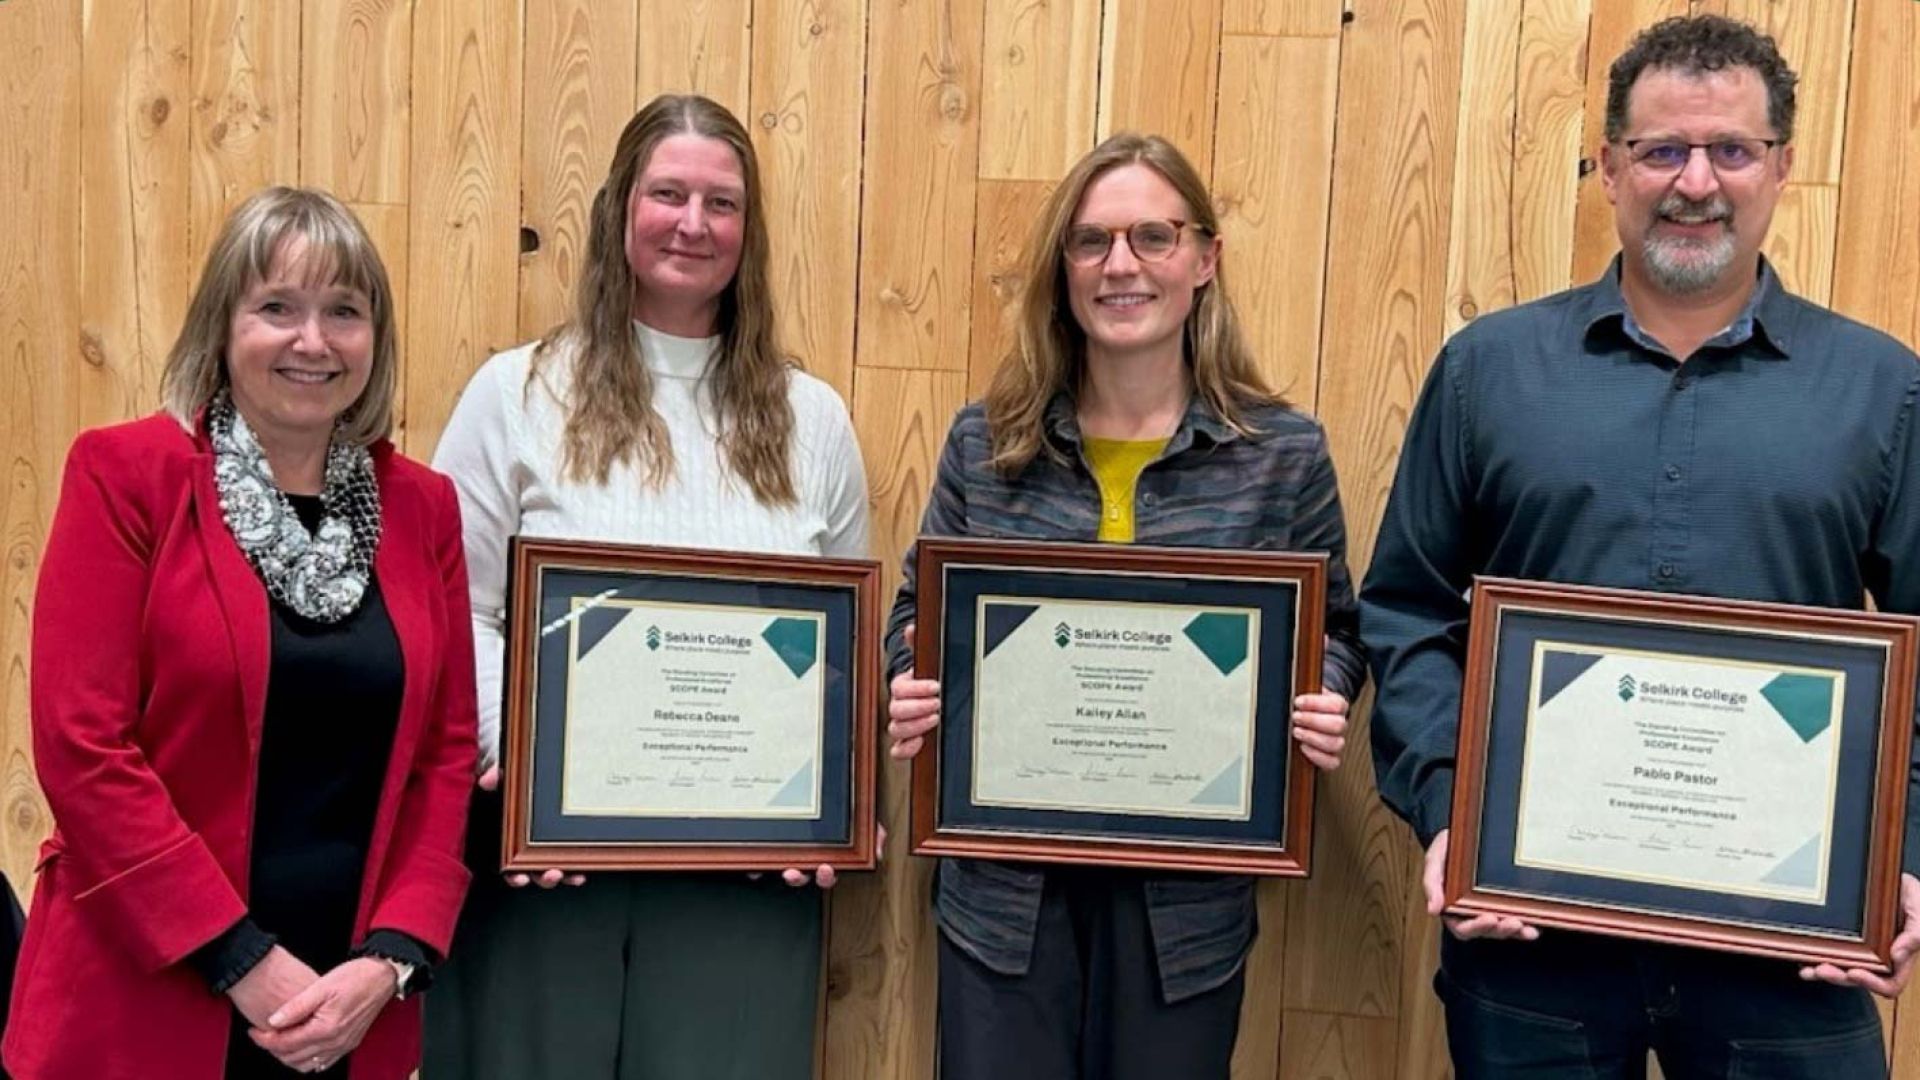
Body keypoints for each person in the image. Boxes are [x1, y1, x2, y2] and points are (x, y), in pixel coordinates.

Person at [1361, 14, 1920, 1078]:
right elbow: (1408, 611)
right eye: (1662, 150)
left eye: (1732, 151)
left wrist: (1905, 853)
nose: (1695, 181)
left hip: (1793, 948)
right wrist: (1449, 812)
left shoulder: (1885, 392)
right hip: (1533, 943)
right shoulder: (1489, 370)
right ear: (1610, 166)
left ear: (1782, 167)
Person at [882, 132, 1365, 1080]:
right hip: (1003, 901)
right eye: (1092, 241)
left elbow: (1333, 628)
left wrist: (1326, 694)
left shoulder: (1280, 454)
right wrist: (909, 678)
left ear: (1204, 259)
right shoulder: (988, 443)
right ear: (1063, 267)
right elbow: (918, 611)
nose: (1121, 266)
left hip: (1184, 908)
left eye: (1152, 235)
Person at [424, 94, 870, 1079]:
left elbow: (844, 647)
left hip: (743, 881)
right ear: (621, 208)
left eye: (722, 202)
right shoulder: (516, 392)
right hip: (543, 866)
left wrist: (837, 796)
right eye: (668, 193)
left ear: (748, 234)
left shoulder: (815, 420)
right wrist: (529, 776)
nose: (693, 223)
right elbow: (455, 612)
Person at [2, 187, 479, 1079]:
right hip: (148, 994)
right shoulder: (127, 476)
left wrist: (392, 959)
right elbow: (81, 743)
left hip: (351, 1008)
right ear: (222, 328)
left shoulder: (424, 508)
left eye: (344, 310)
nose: (313, 341)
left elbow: (445, 755)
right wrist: (240, 958)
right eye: (277, 308)